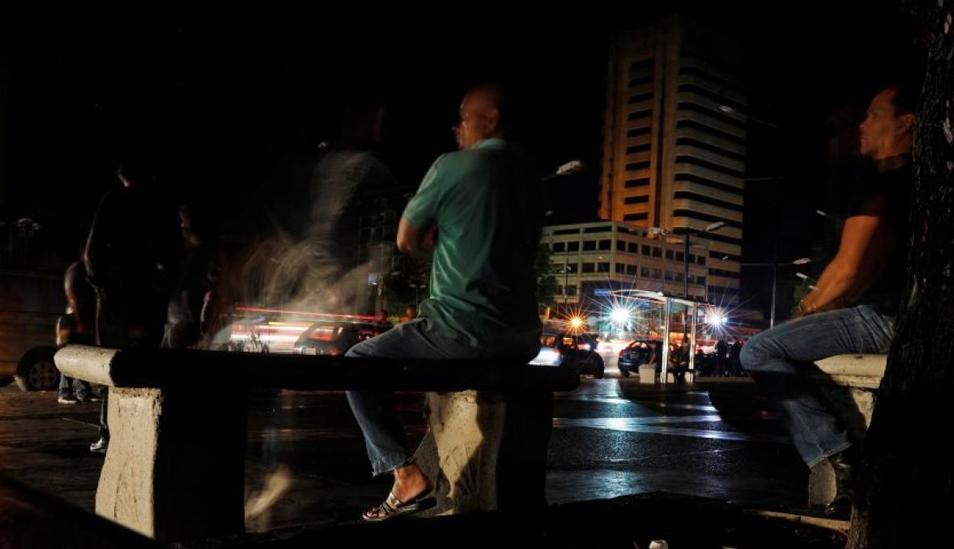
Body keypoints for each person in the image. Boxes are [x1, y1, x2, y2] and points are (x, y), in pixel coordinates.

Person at [344, 83, 543, 521]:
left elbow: (405, 238)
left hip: (462, 329)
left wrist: (431, 241)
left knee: (358, 362)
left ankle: (404, 475)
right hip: (522, 337)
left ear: (490, 119)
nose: (457, 127)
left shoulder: (453, 165)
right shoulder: (529, 175)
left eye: (464, 117)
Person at [741, 84, 916, 518]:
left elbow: (847, 270)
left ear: (906, 123)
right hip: (907, 315)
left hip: (887, 317)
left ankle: (836, 455)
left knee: (759, 350)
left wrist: (803, 313)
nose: (863, 124)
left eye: (875, 115)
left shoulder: (880, 181)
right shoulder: (920, 180)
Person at [84, 156, 170, 454]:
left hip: (118, 295)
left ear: (122, 176)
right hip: (146, 296)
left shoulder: (114, 201)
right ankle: (143, 431)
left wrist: (101, 286)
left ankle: (109, 432)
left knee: (113, 362)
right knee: (145, 363)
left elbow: (92, 252)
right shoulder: (158, 204)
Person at [55, 261, 97, 404]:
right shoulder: (77, 274)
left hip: (80, 317)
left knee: (82, 355)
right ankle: (64, 392)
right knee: (69, 356)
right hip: (74, 318)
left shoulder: (82, 274)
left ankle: (83, 390)